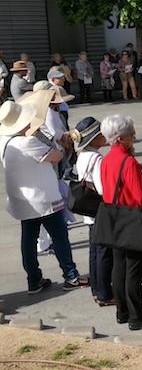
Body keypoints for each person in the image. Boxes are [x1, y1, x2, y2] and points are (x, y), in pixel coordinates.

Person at [0, 90, 89, 294]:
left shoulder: (4, 141)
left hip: (21, 200)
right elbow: (57, 156)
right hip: (42, 199)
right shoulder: (28, 141)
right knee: (59, 236)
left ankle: (34, 280)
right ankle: (71, 276)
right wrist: (44, 136)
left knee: (28, 240)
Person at [99, 114, 142, 330]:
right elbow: (140, 196)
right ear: (120, 138)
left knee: (119, 267)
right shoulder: (128, 162)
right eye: (130, 134)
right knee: (134, 271)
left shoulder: (107, 159)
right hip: (133, 220)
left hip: (115, 218)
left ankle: (122, 311)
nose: (134, 137)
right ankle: (137, 316)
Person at [68, 116, 115, 306]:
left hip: (88, 210)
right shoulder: (96, 157)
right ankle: (104, 293)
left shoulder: (83, 155)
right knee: (104, 253)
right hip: (98, 209)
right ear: (94, 138)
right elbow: (102, 188)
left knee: (95, 252)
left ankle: (97, 290)